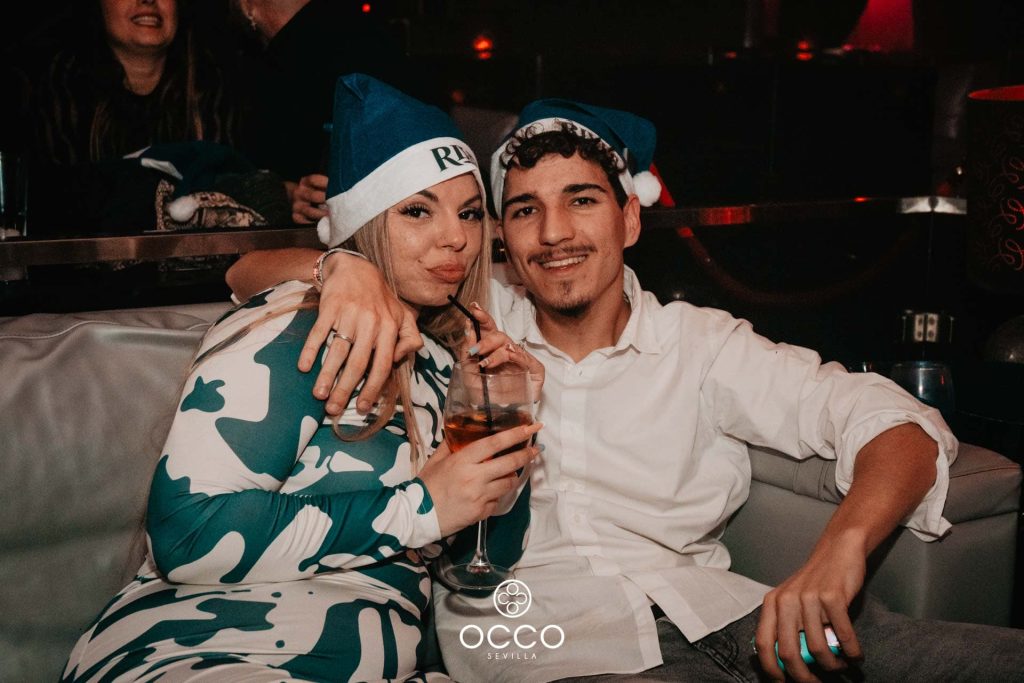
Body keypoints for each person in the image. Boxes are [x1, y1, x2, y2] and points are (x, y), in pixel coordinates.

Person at [224, 100, 1024, 682]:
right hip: (551, 646)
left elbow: (892, 420)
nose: (554, 234)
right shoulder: (467, 316)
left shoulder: (701, 344)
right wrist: (342, 268)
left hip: (738, 620)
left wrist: (838, 552)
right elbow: (243, 271)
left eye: (581, 200)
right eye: (526, 211)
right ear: (502, 236)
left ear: (630, 219)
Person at [61, 74, 542, 683]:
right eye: (417, 210)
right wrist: (419, 508)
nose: (456, 238)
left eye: (470, 213)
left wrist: (508, 428)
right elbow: (187, 534)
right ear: (366, 220)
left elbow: (477, 568)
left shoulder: (449, 363)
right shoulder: (304, 322)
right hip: (207, 654)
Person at [230, 0, 429, 225]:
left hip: (356, 222)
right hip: (374, 217)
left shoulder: (290, 60)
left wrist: (288, 193)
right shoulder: (365, 37)